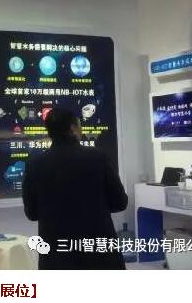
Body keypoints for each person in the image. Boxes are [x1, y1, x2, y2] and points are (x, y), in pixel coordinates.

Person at [22, 107, 128, 269]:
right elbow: (120, 202)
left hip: (56, 258)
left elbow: (32, 213)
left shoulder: (35, 164)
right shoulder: (98, 158)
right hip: (100, 254)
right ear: (73, 128)